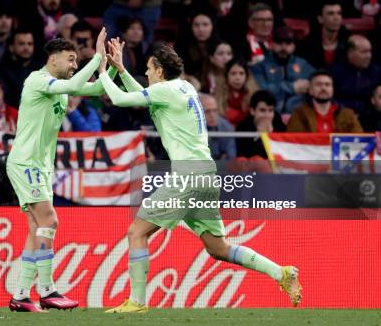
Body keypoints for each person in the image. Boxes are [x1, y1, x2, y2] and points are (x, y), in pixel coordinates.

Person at [97, 40, 300, 313]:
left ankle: (137, 302)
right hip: (205, 173)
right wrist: (121, 70)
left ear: (159, 70)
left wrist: (102, 71)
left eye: (148, 69)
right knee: (218, 248)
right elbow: (145, 96)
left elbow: (121, 99)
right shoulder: (184, 87)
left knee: (137, 232)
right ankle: (282, 273)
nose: (146, 73)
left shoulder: (167, 91)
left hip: (187, 174)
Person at [6, 30, 117, 312]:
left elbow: (96, 89)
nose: (73, 66)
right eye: (70, 60)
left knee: (37, 227)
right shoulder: (38, 79)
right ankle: (47, 290)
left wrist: (111, 68)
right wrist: (97, 57)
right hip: (26, 162)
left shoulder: (62, 87)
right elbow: (81, 80)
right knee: (49, 221)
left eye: (75, 61)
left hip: (40, 166)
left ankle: (20, 295)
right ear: (52, 59)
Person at [250, 26, 315, 114]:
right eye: (279, 42)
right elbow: (260, 91)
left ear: (294, 46)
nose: (283, 47)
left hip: (297, 115)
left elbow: (318, 85)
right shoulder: (259, 67)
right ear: (271, 44)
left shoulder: (303, 65)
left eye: (288, 43)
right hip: (269, 115)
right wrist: (292, 87)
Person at [287, 69, 363, 133]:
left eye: (327, 85)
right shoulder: (299, 114)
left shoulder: (347, 114)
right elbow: (294, 142)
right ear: (310, 90)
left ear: (332, 89)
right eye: (318, 84)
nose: (323, 88)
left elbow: (359, 140)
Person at [330, 34, 380, 115]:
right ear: (350, 53)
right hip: (341, 116)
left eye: (370, 51)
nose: (369, 56)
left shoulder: (376, 72)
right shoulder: (334, 72)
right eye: (364, 52)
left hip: (370, 119)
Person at [298, 0, 349, 69]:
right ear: (320, 19)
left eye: (339, 13)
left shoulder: (348, 42)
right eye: (331, 14)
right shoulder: (307, 45)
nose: (336, 18)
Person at [0, 29, 39, 107]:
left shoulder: (41, 69)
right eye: (21, 44)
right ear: (11, 47)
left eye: (30, 44)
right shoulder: (1, 71)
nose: (26, 48)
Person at [236, 90, 286, 158]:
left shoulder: (279, 125)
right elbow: (246, 156)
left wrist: (272, 135)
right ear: (252, 111)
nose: (267, 115)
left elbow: (284, 153)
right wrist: (259, 136)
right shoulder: (242, 128)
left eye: (270, 110)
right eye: (262, 110)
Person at [215, 58, 259, 127]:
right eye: (233, 74)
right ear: (226, 76)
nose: (237, 77)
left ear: (247, 76)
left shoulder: (255, 95)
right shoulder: (217, 95)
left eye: (241, 73)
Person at [200, 93, 236, 160]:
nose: (212, 115)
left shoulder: (227, 128)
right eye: (207, 111)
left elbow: (231, 157)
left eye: (215, 110)